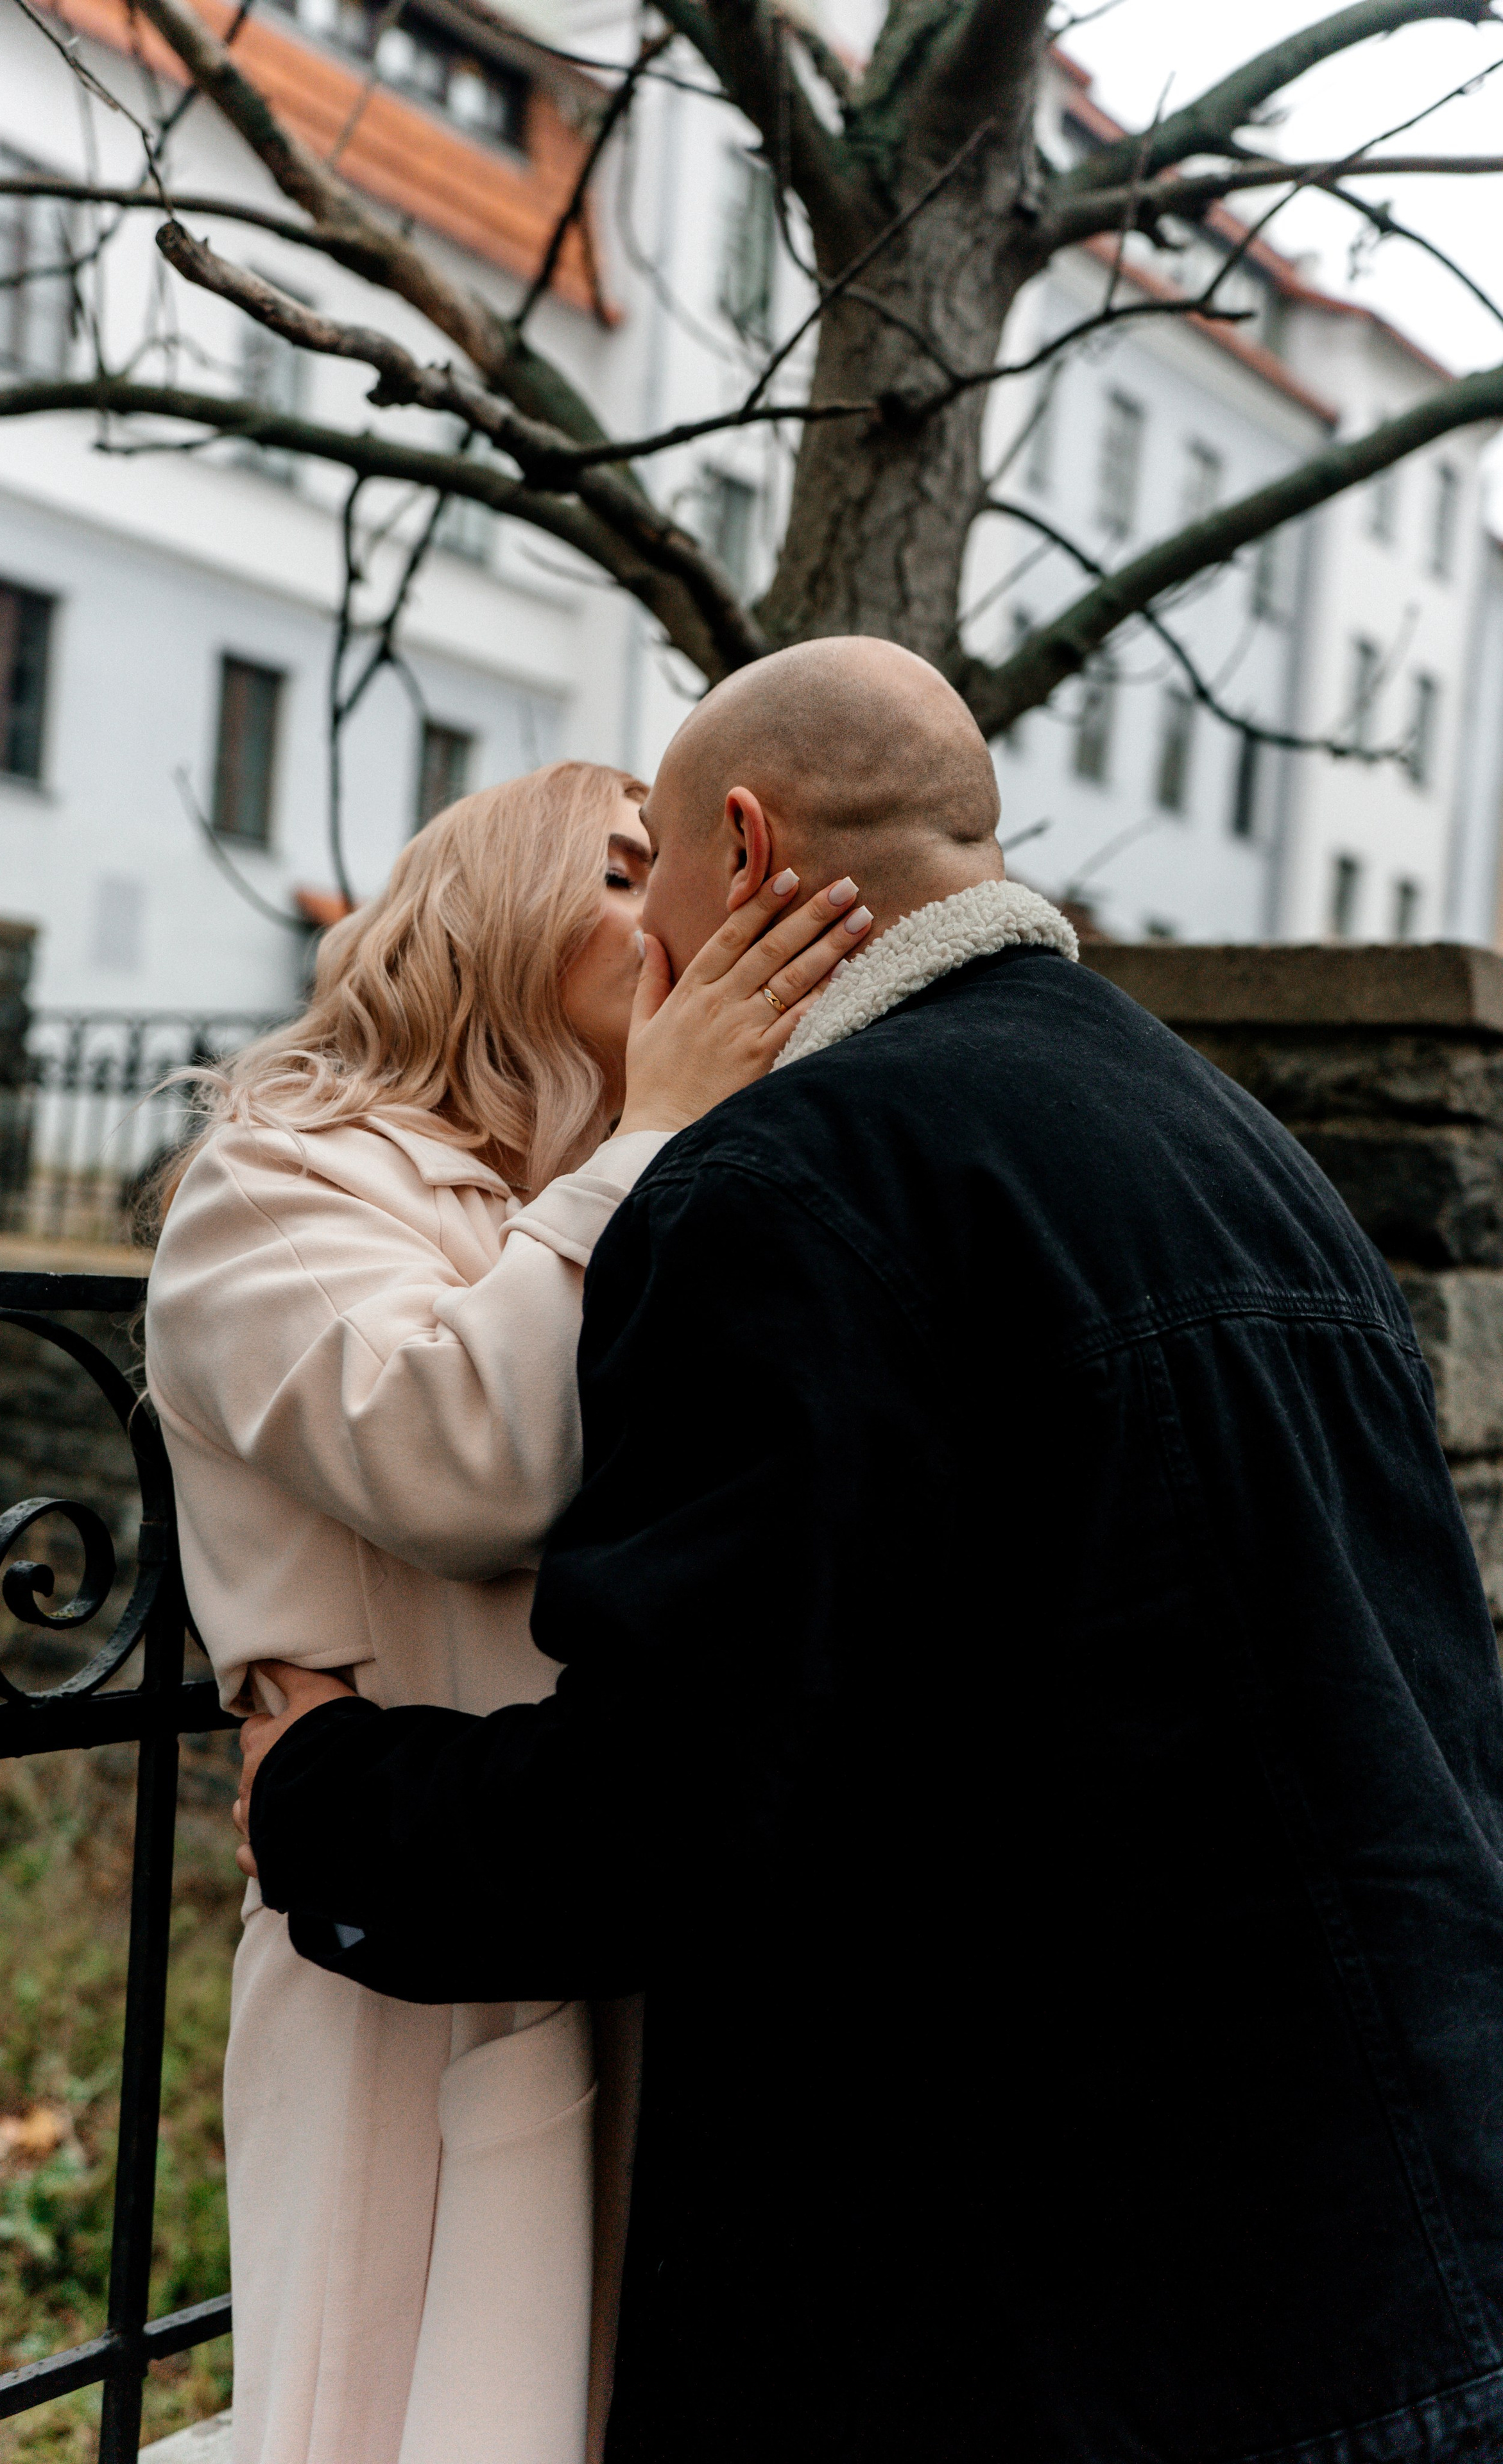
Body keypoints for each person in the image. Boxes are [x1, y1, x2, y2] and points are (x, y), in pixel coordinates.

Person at [239, 643, 1503, 2464]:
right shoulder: (1242, 1148)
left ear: (741, 852)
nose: (643, 932)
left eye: (644, 866)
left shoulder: (789, 1184)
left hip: (1048, 2320)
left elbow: (685, 1804)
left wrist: (332, 1797)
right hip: (1385, 2245)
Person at [141, 756, 873, 2464]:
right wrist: (649, 1137)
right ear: (487, 913)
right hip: (420, 1962)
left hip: (629, 1902)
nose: (676, 910)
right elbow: (458, 1454)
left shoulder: (658, 1193)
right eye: (624, 871)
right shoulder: (287, 1182)